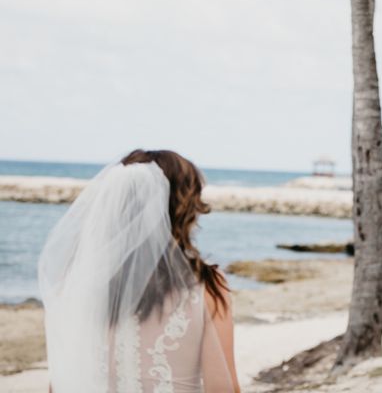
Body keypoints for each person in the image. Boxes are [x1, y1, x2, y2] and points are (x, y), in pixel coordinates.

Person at [39, 149, 241, 392]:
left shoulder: (78, 283)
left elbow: (61, 382)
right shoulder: (206, 286)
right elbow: (223, 388)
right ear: (184, 209)